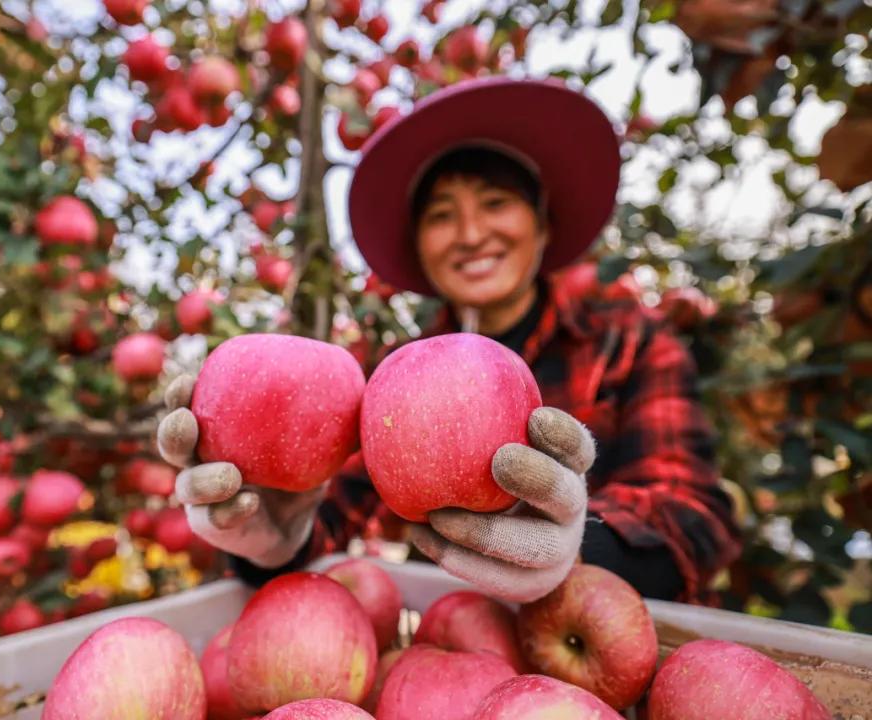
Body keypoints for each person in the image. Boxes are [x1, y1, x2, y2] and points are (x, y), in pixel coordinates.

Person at [157, 77, 742, 604]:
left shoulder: (629, 341)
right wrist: (276, 539)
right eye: (441, 215)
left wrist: (580, 549)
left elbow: (697, 519)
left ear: (542, 226)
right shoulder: (392, 382)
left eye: (495, 204)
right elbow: (334, 521)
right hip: (451, 649)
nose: (469, 234)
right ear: (419, 246)